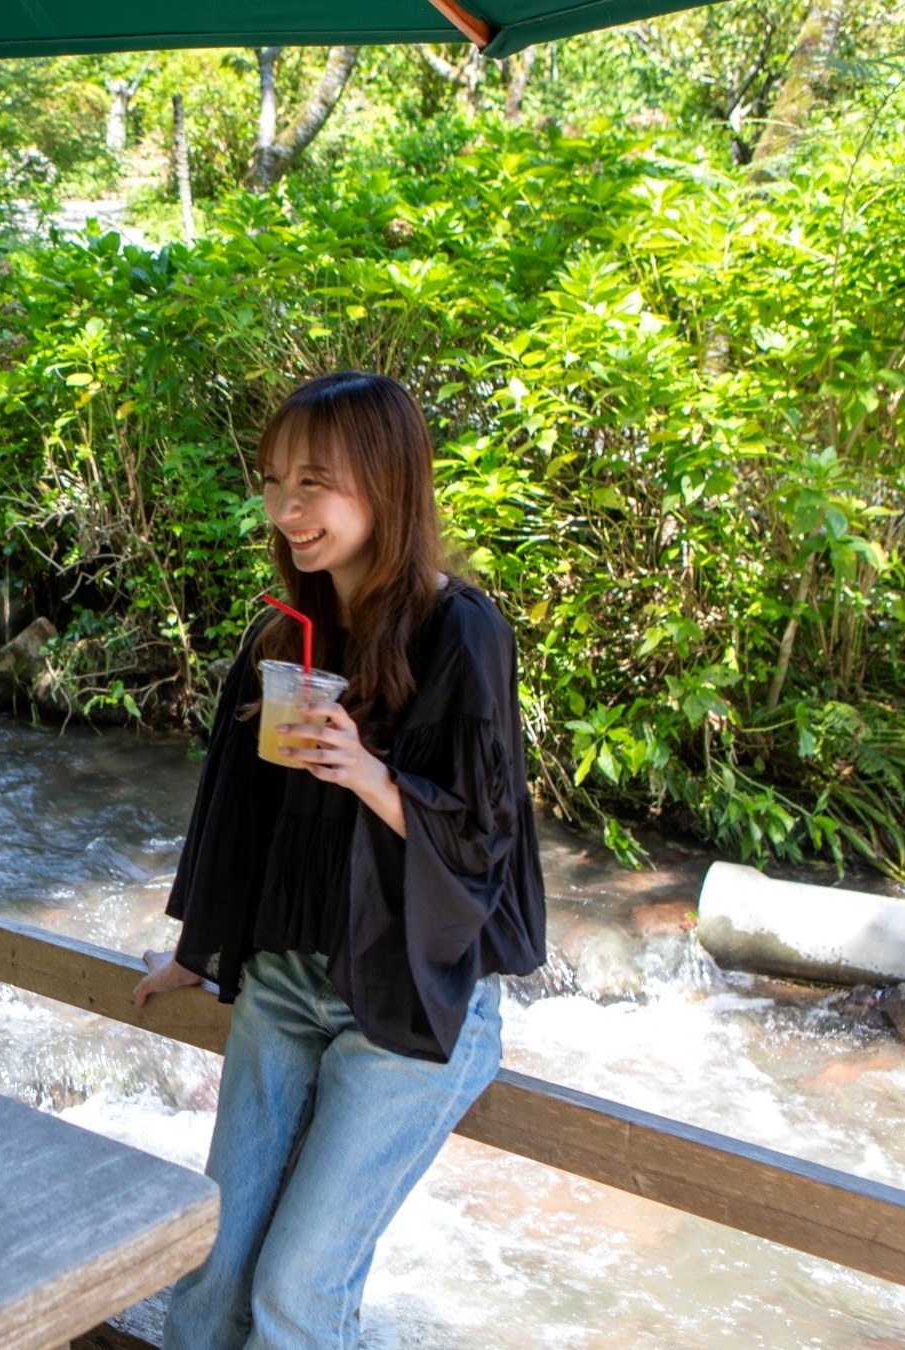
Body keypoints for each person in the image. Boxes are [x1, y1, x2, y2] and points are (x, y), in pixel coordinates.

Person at [134, 372, 546, 1347]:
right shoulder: (284, 632)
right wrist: (198, 953)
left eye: (314, 482)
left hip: (409, 1003)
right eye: (275, 480)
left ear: (386, 483)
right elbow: (235, 817)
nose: (286, 508)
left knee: (295, 1291)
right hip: (284, 982)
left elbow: (487, 837)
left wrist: (368, 773)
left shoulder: (463, 632)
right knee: (207, 1274)